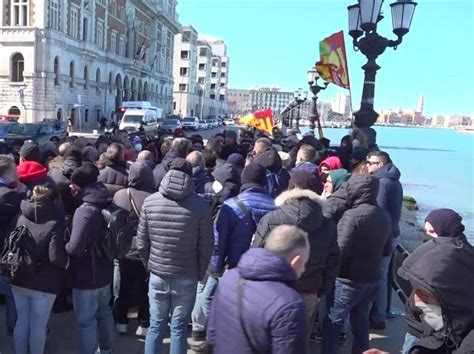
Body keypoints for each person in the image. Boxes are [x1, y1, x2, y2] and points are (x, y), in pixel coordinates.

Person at [252, 171, 339, 347]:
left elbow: (256, 254)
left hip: (271, 289)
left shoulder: (272, 218)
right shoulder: (328, 224)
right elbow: (332, 262)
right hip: (309, 290)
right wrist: (321, 290)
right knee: (297, 343)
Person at [136, 158, 213, 354]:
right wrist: (199, 271)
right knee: (178, 328)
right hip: (187, 274)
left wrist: (150, 265)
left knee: (156, 325)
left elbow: (142, 242)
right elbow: (206, 244)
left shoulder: (150, 201)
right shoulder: (200, 204)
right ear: (190, 175)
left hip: (158, 273)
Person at [207, 225, 310, 354]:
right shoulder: (289, 304)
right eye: (305, 263)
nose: (304, 269)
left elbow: (212, 334)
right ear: (297, 261)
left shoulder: (230, 277)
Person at [322, 174, 391, 354]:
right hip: (371, 280)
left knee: (332, 326)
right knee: (361, 326)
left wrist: (328, 274)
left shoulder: (351, 216)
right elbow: (387, 250)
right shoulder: (384, 215)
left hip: (347, 280)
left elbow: (340, 251)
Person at [398, 209, 474, 354]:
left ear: (445, 230)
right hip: (426, 327)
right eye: (426, 232)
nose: (429, 238)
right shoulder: (463, 253)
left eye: (432, 232)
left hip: (433, 331)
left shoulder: (450, 257)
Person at [11, 185, 68, 354]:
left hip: (19, 274)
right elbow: (55, 257)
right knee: (38, 325)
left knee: (21, 321)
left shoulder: (20, 216)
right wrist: (67, 264)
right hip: (45, 281)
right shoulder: (55, 223)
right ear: (54, 200)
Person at [66, 163, 114, 354]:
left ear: (79, 187)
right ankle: (107, 350)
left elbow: (75, 248)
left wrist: (63, 244)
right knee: (104, 314)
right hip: (105, 270)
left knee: (86, 322)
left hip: (87, 275)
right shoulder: (105, 198)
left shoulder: (84, 211)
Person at [112, 162, 155, 337]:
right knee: (145, 289)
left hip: (124, 248)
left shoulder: (120, 195)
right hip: (147, 250)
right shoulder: (154, 197)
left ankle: (121, 322)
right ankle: (144, 324)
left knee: (124, 287)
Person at [212, 163, 276, 276]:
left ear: (243, 180)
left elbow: (218, 240)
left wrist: (215, 269)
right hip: (262, 270)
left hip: (234, 268)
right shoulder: (276, 208)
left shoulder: (230, 205)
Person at [367, 151, 403, 329]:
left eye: (371, 162)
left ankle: (378, 316)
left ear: (380, 164)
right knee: (385, 275)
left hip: (384, 236)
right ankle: (383, 310)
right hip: (392, 233)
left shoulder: (382, 182)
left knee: (380, 276)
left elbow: (378, 211)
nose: (368, 165)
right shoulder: (393, 179)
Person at [0, 155, 24, 335]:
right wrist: (22, 194)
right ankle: (14, 328)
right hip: (3, 252)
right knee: (11, 295)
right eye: (14, 170)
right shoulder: (8, 195)